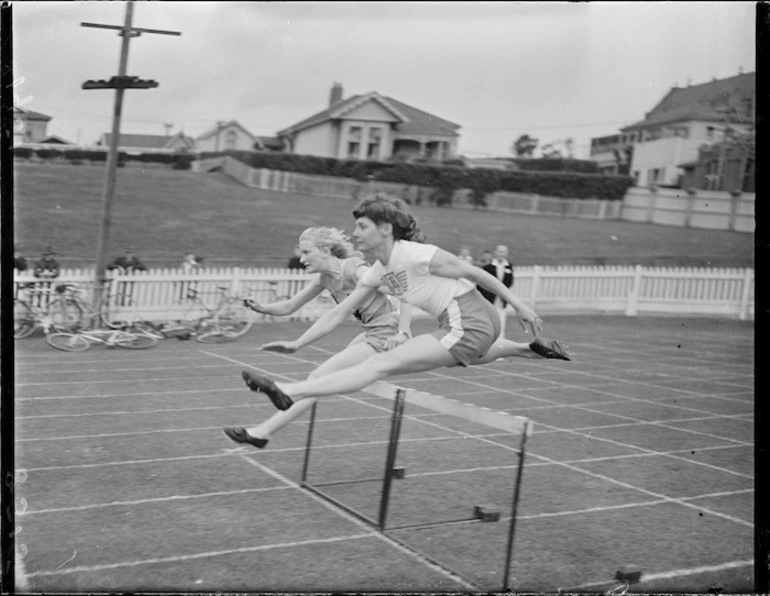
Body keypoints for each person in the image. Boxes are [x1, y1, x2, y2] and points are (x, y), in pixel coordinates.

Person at [240, 193, 570, 414]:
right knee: (465, 356)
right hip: (471, 326)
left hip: (468, 320)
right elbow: (339, 313)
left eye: (361, 227)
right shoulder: (378, 271)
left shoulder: (416, 255)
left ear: (386, 230)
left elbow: (475, 273)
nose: (354, 235)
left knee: (378, 365)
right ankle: (530, 348)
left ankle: (287, 391)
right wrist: (298, 344)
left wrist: (520, 306)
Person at [223, 226, 413, 449]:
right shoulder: (325, 278)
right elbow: (289, 306)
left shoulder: (355, 268)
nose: (301, 258)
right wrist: (261, 307)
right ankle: (262, 432)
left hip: (386, 333)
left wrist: (403, 328)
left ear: (325, 251)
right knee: (321, 382)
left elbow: (402, 288)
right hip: (371, 332)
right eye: (300, 253)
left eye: (306, 252)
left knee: (318, 378)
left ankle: (262, 432)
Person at [478, 244, 514, 339]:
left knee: (501, 323)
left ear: (506, 254)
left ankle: (499, 344)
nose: (501, 254)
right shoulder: (488, 267)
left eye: (503, 252)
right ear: (495, 252)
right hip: (489, 299)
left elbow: (509, 283)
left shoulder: (509, 267)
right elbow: (480, 285)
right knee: (487, 323)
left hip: (501, 300)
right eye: (499, 251)